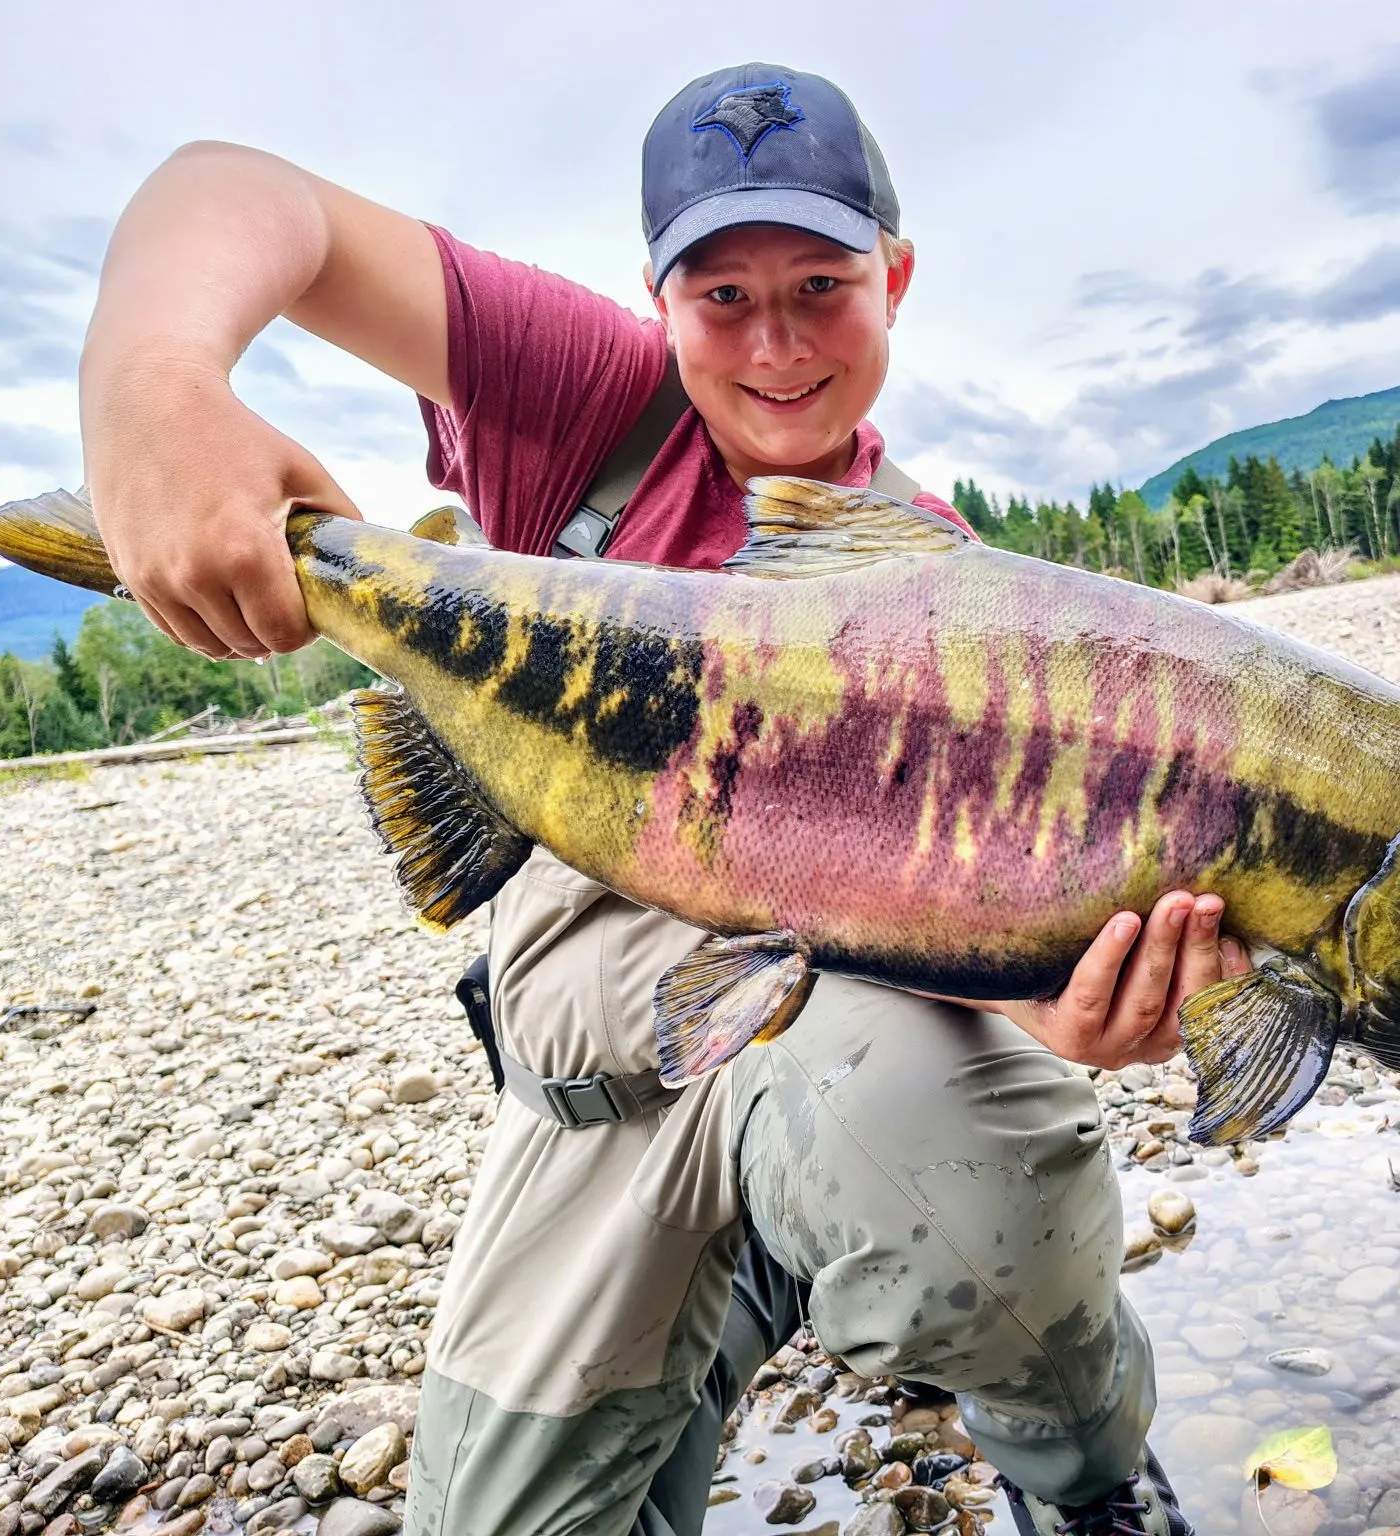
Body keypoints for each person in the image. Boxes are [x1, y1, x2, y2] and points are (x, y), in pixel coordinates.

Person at [78, 62, 1249, 1536]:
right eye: (723, 298)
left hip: (824, 1027)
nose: (774, 345)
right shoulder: (574, 392)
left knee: (992, 1200)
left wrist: (1065, 1007)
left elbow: (980, 930)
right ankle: (754, 1276)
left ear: (896, 278)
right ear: (658, 299)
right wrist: (156, 387)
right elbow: (237, 192)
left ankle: (1081, 1471)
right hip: (593, 1097)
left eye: (822, 287)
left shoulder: (954, 586)